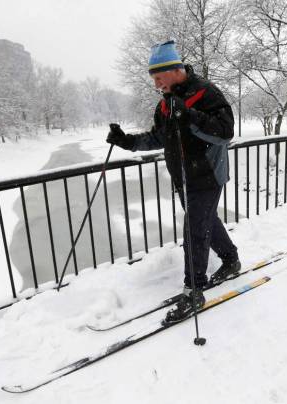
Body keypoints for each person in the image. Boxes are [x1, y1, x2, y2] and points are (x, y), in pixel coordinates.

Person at [106, 40, 240, 324]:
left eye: (158, 77)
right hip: (183, 176)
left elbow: (224, 132)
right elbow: (158, 137)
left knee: (194, 229)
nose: (156, 84)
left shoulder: (206, 93)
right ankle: (231, 260)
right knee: (205, 222)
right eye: (153, 79)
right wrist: (126, 142)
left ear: (175, 70)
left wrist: (189, 115)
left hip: (207, 174)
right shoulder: (165, 104)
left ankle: (194, 291)